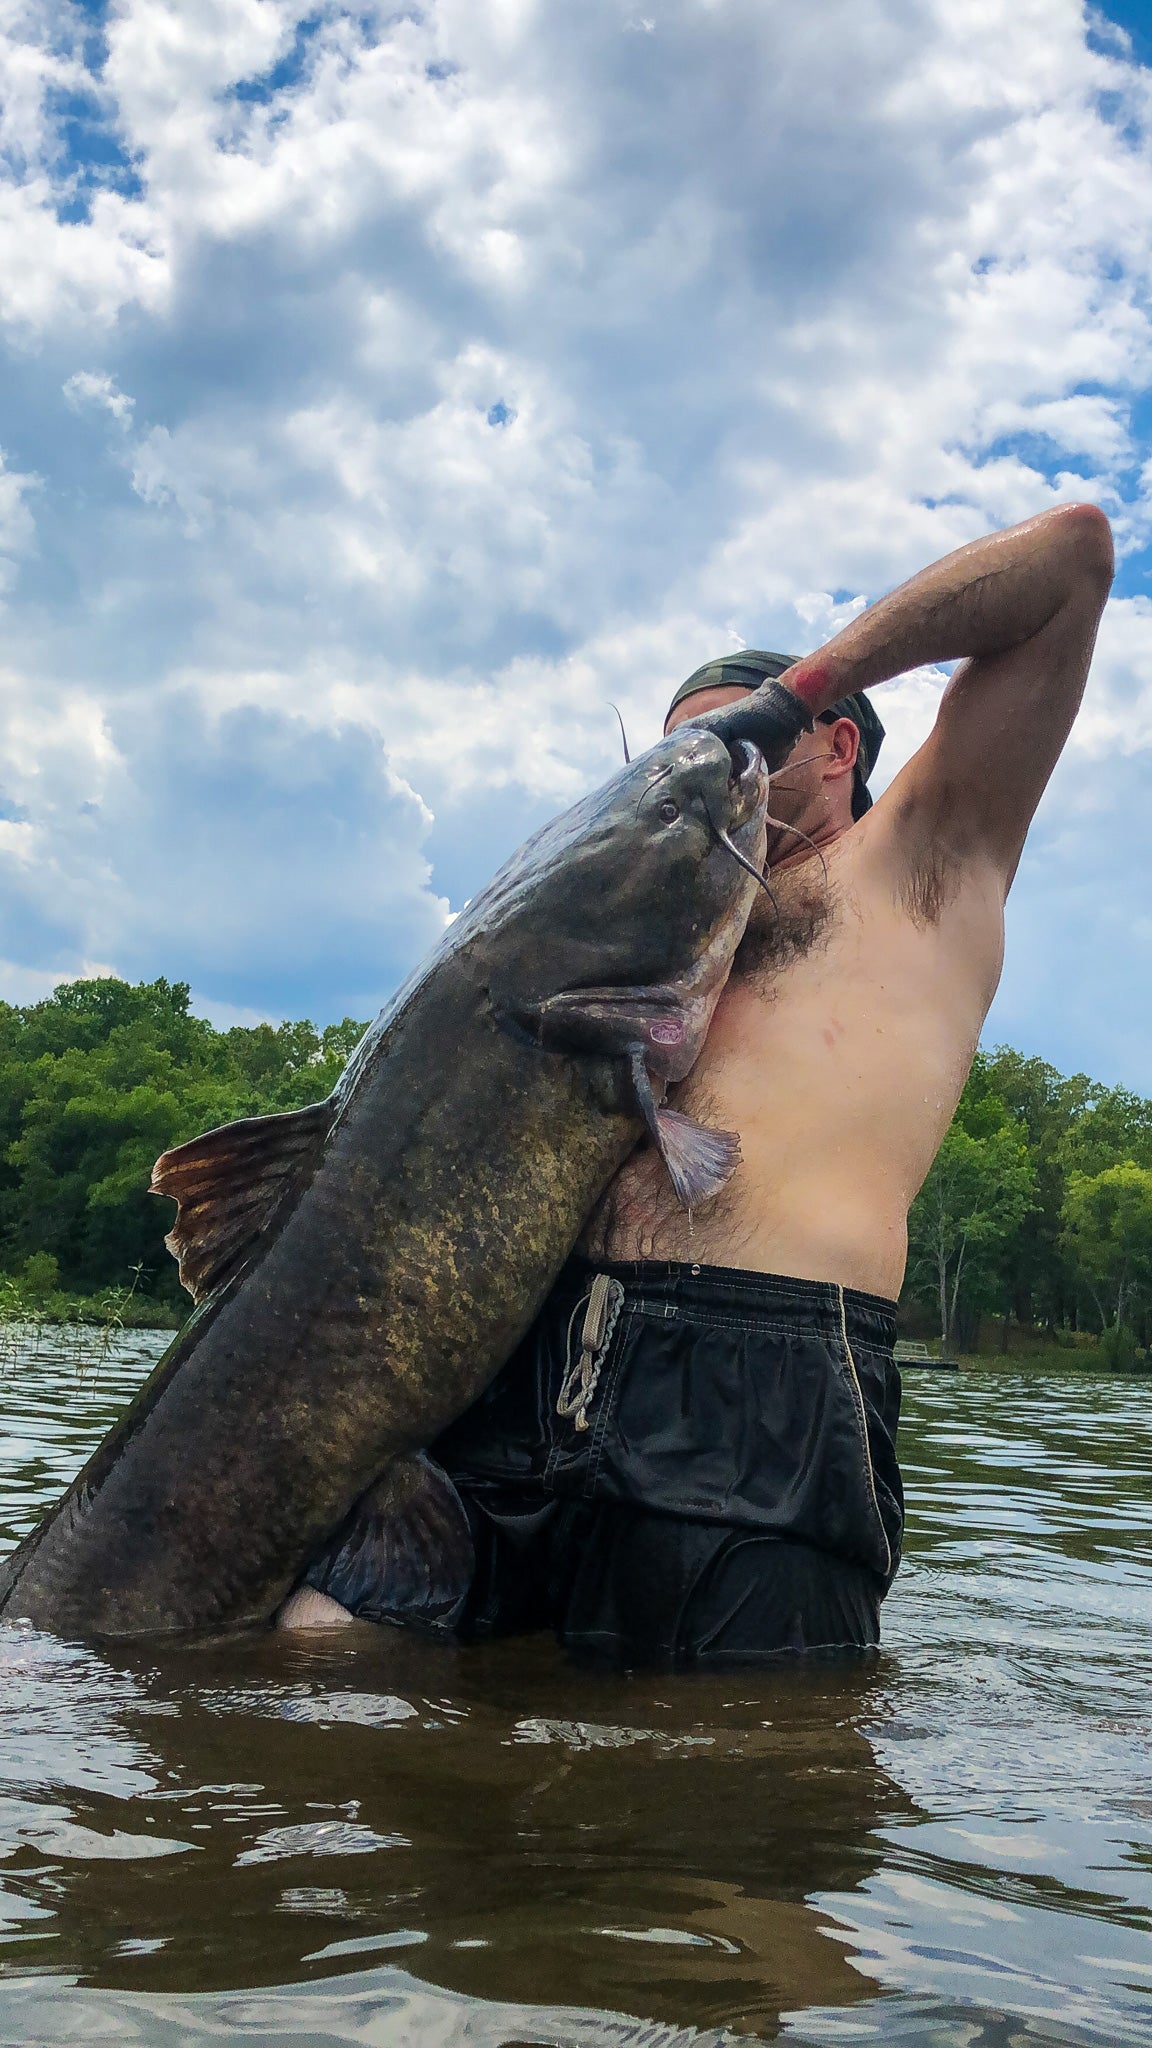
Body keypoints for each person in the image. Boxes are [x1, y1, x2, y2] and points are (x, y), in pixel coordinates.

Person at [300, 504, 1114, 1665]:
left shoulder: (927, 860)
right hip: (533, 1385)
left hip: (759, 1390)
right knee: (315, 1649)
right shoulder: (656, 922)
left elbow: (1073, 560)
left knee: (721, 1781)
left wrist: (801, 680)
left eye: (742, 740)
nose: (704, 769)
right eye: (678, 752)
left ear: (837, 744)